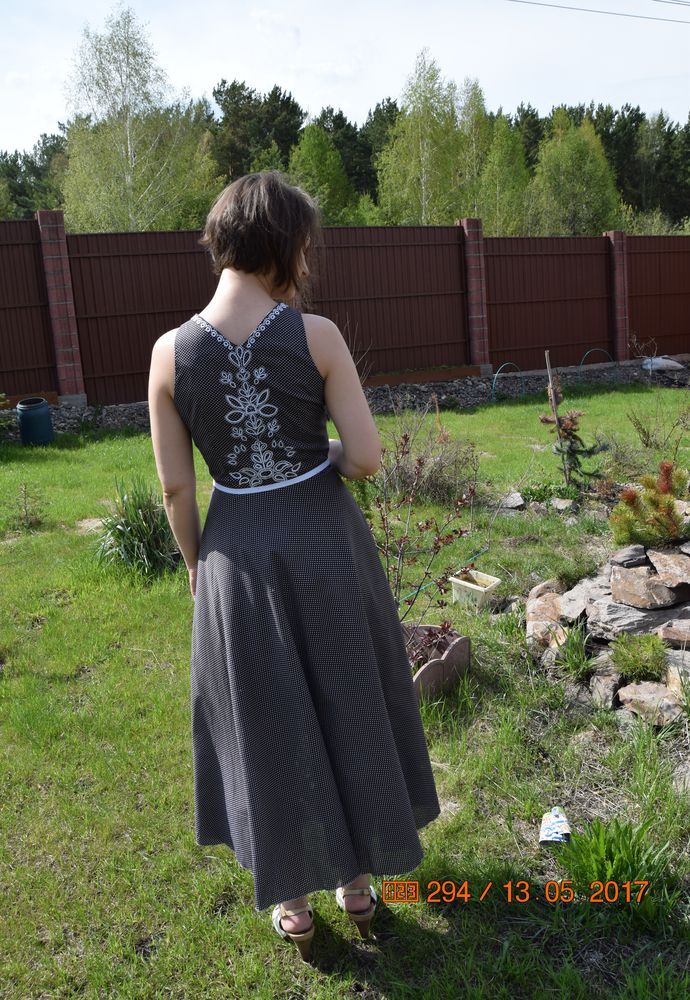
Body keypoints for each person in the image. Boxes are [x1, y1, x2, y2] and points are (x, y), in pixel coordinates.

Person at [148, 171, 440, 962]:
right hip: (324, 546)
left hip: (235, 558)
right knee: (347, 701)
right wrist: (321, 455)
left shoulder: (168, 355)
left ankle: (295, 904)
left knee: (268, 720)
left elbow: (177, 488)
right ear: (286, 245)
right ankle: (359, 887)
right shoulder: (317, 337)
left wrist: (195, 566)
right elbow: (368, 458)